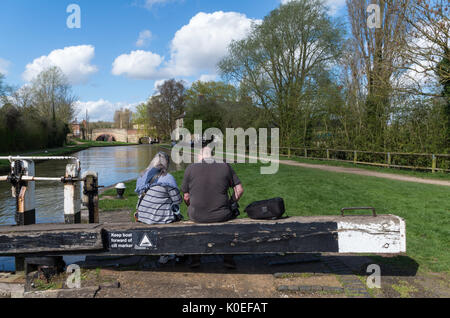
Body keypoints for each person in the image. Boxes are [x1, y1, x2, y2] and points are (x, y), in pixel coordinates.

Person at [181, 145, 244, 269]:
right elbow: (239, 190)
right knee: (227, 220)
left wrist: (191, 205)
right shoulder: (225, 166)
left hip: (196, 215)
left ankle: (196, 258)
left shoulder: (190, 168)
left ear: (200, 156)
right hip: (222, 214)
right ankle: (228, 258)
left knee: (195, 220)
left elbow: (186, 197)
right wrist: (231, 202)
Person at [134, 151, 183, 225]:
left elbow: (140, 195)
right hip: (159, 218)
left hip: (142, 216)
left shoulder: (142, 175)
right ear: (167, 163)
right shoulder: (167, 178)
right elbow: (177, 200)